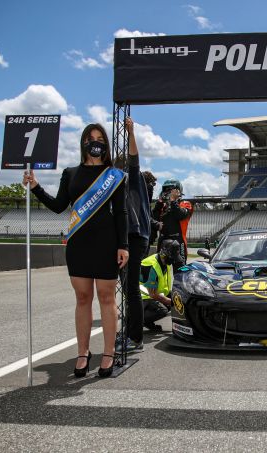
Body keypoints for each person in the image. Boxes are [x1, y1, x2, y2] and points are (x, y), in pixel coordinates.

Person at [23, 123, 128, 378]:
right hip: (79, 243)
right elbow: (59, 205)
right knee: (82, 298)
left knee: (106, 298)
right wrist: (36, 187)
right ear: (83, 143)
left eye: (100, 138)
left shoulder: (114, 175)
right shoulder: (70, 173)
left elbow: (121, 212)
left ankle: (108, 352)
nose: (95, 142)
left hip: (106, 242)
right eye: (90, 138)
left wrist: (123, 245)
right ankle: (83, 352)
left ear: (106, 144)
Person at [116, 116, 152, 353]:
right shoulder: (122, 181)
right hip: (128, 236)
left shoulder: (131, 176)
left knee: (130, 289)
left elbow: (134, 159)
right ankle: (129, 331)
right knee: (126, 289)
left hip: (135, 236)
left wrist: (130, 133)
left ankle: (135, 338)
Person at [150, 179, 193, 267]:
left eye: (171, 190)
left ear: (178, 191)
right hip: (163, 241)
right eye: (166, 190)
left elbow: (180, 215)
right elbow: (153, 219)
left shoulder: (185, 204)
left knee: (180, 269)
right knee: (160, 268)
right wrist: (159, 203)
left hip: (178, 240)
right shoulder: (163, 206)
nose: (168, 192)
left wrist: (173, 201)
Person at [139, 239, 180, 332]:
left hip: (153, 294)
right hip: (142, 298)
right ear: (164, 253)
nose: (173, 260)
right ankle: (136, 320)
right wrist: (172, 303)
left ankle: (147, 321)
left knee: (177, 297)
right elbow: (153, 294)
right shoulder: (151, 265)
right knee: (162, 310)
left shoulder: (165, 262)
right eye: (172, 257)